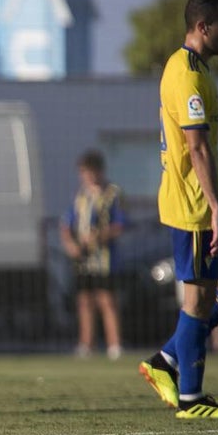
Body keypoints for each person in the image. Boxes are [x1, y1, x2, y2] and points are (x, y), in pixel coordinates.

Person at [138, 0, 218, 420]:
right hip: (195, 207)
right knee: (196, 304)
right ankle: (190, 398)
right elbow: (196, 148)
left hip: (211, 203)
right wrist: (216, 210)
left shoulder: (198, 68)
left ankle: (166, 358)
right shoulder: (186, 75)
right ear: (203, 27)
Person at [60, 149, 125, 359]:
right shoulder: (81, 196)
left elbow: (120, 224)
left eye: (90, 172)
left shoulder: (112, 194)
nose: (87, 177)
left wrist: (100, 236)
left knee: (106, 300)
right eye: (83, 172)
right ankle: (86, 344)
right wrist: (71, 244)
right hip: (84, 259)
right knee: (84, 300)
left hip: (104, 259)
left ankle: (114, 344)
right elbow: (66, 224)